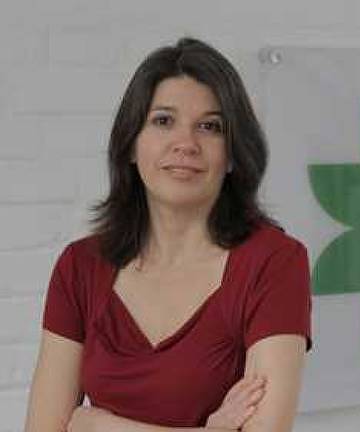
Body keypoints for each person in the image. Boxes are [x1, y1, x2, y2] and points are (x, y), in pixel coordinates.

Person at [23, 37, 311, 431]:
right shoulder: (80, 267)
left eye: (209, 127)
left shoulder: (273, 262)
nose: (186, 144)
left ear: (232, 154)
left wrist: (99, 426)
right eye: (163, 121)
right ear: (131, 143)